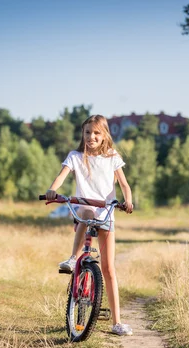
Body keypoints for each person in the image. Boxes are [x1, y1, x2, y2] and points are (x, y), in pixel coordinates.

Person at [45, 114, 134, 336]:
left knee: (108, 269)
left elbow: (124, 184)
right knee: (84, 211)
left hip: (106, 212)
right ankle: (74, 259)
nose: (91, 137)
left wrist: (128, 200)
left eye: (96, 133)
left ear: (104, 136)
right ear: (82, 134)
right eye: (87, 132)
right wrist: (52, 190)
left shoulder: (112, 157)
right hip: (84, 207)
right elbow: (61, 176)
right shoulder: (75, 156)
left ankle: (117, 322)